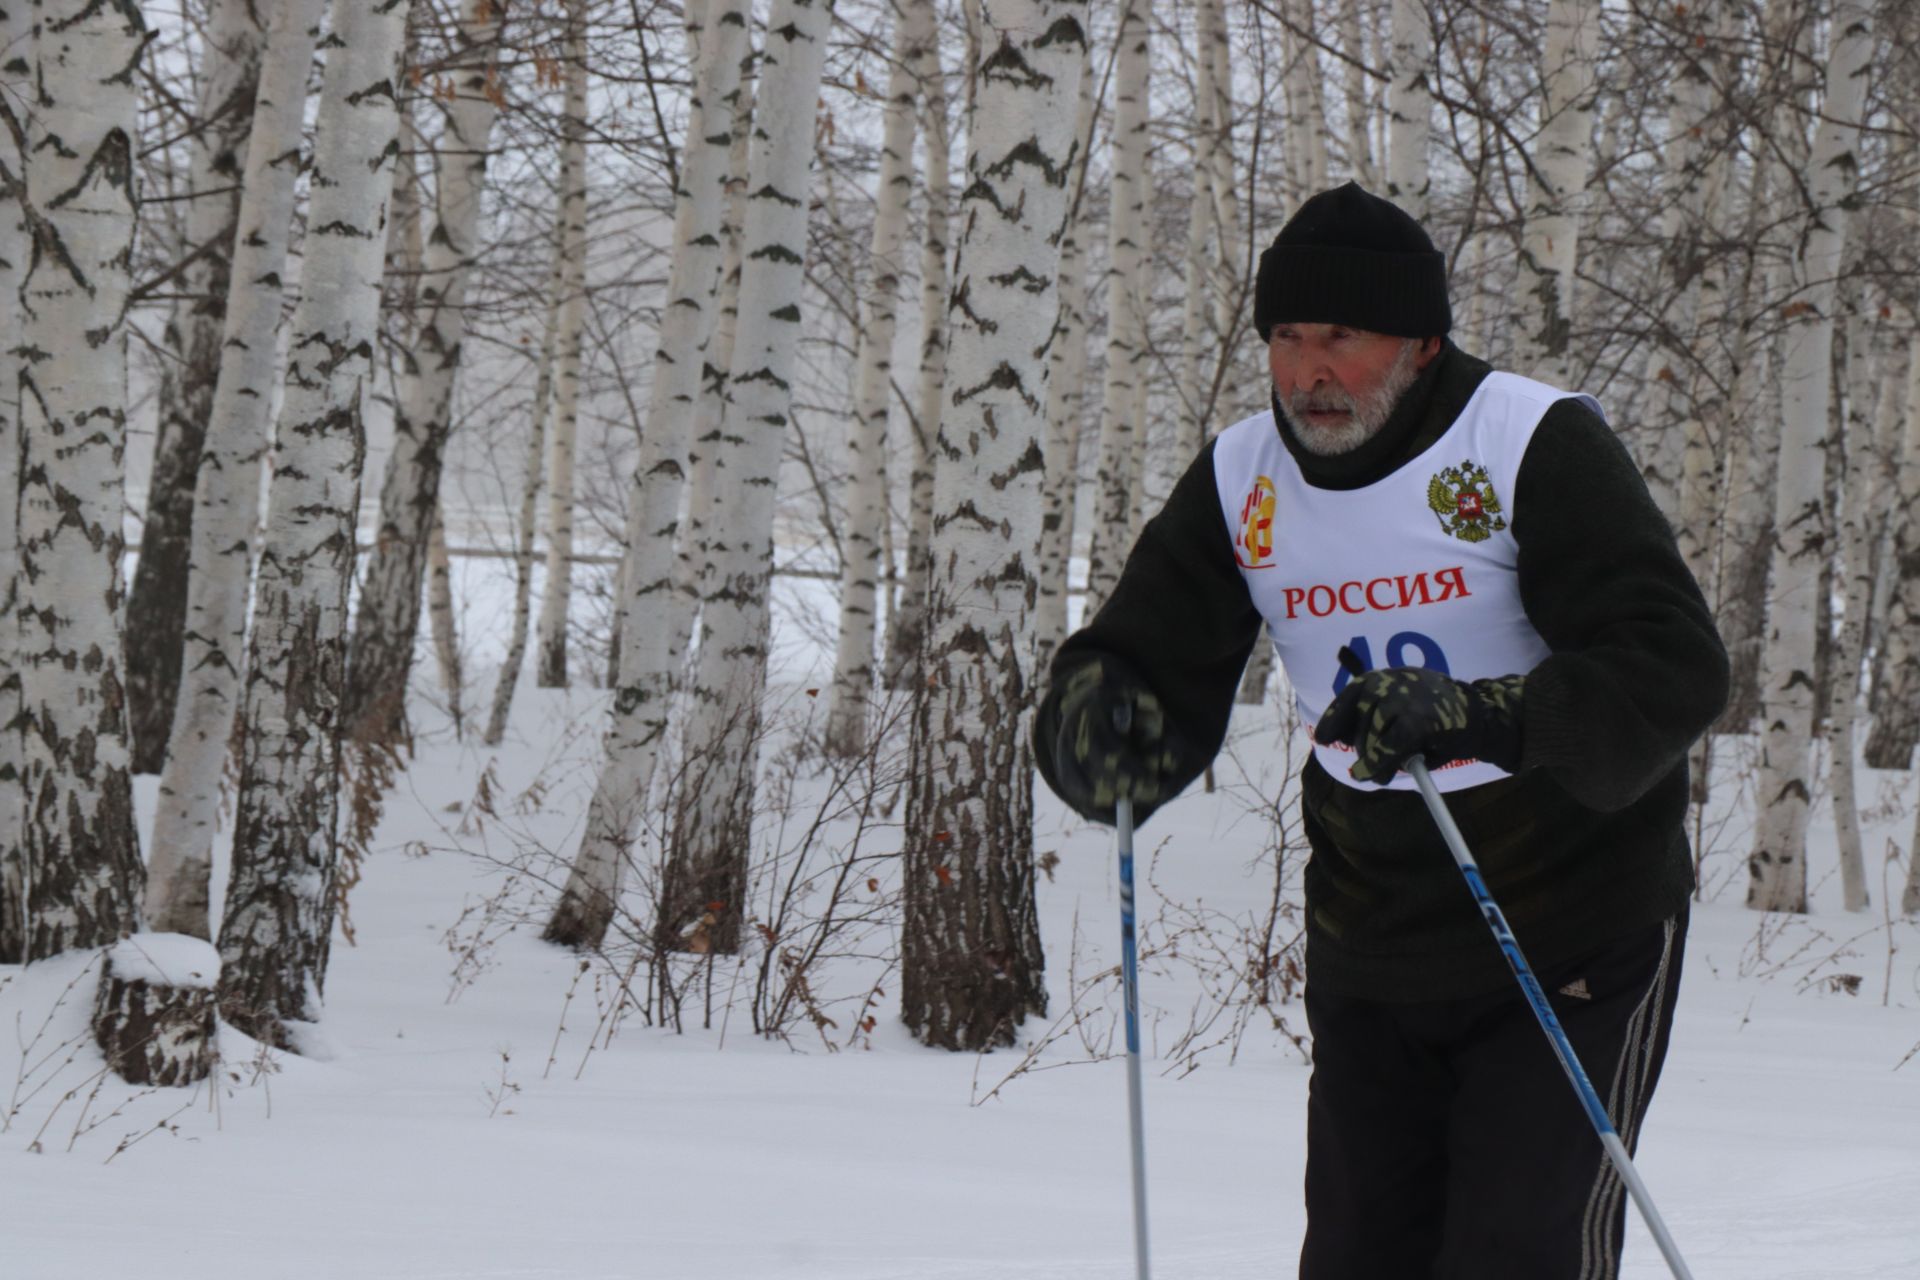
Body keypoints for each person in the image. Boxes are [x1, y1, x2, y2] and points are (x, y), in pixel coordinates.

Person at [1033, 182, 1728, 1279]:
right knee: (1362, 1254)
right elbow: (1146, 655)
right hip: (1376, 931)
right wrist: (1100, 723)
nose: (1309, 370)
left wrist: (1483, 715)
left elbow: (1675, 664)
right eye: (1286, 336)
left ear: (1421, 340)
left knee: (1514, 1253)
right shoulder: (1241, 478)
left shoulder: (1526, 441)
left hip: (1569, 921)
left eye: (1341, 338)